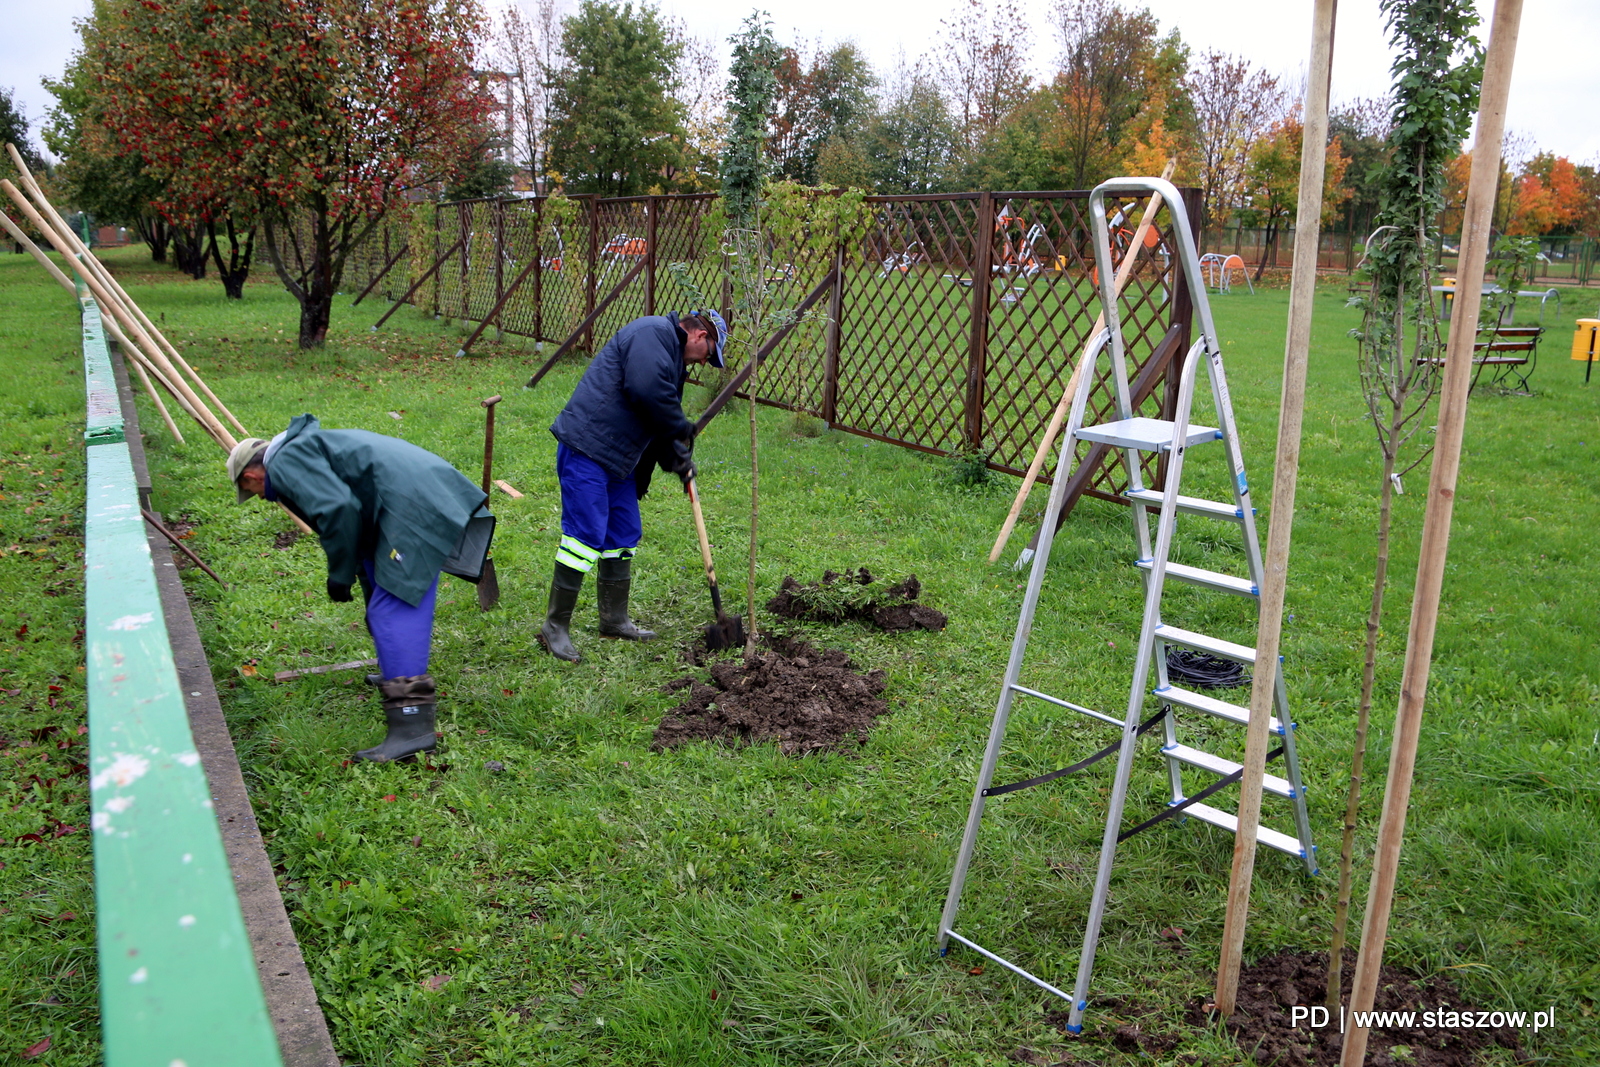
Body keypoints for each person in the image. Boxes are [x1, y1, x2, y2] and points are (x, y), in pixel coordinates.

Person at [227, 414, 491, 763]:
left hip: (412, 504)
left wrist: (338, 573)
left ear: (251, 476)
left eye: (253, 492)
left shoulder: (286, 460)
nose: (261, 497)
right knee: (376, 584)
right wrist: (354, 568)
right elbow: (351, 507)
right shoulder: (298, 450)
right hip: (399, 501)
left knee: (393, 607)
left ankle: (413, 728)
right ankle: (393, 672)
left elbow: (338, 507)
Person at [541, 309, 727, 662]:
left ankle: (614, 619)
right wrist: (680, 426)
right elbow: (645, 391)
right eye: (709, 354)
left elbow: (655, 416)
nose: (705, 362)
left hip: (619, 460)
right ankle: (555, 627)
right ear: (700, 336)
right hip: (589, 448)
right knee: (585, 537)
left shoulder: (671, 359)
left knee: (624, 533)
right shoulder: (652, 332)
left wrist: (677, 460)